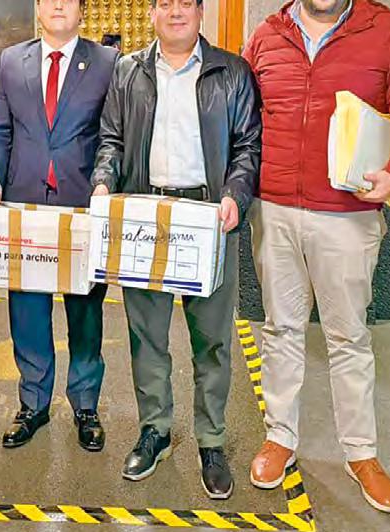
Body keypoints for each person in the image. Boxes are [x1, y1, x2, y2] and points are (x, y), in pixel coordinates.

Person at [241, 0, 390, 513]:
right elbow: (243, 115)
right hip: (274, 208)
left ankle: (361, 452)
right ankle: (280, 437)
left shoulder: (386, 31)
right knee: (281, 328)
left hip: (348, 213)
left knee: (348, 336)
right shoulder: (267, 35)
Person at [91, 0, 261, 499]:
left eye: (186, 2)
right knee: (146, 336)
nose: (176, 11)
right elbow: (111, 138)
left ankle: (211, 440)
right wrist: (103, 182)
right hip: (146, 215)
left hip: (210, 217)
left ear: (201, 12)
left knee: (212, 339)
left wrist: (235, 195)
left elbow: (248, 146)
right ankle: (156, 430)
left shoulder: (232, 72)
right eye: (165, 3)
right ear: (152, 14)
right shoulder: (128, 71)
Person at [0, 0, 119, 452]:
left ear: (82, 10)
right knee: (27, 312)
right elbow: (2, 132)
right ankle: (33, 403)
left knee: (85, 314)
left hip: (83, 204)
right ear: (39, 9)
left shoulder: (107, 62)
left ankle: (85, 405)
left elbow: (112, 134)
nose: (58, 5)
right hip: (23, 203)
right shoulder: (11, 61)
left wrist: (104, 185)